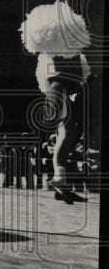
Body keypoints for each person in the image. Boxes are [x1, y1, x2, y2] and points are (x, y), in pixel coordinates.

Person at [39, 54, 89, 204]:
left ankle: (62, 185)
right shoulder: (59, 72)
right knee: (67, 134)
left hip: (62, 90)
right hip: (59, 89)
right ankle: (59, 179)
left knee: (67, 134)